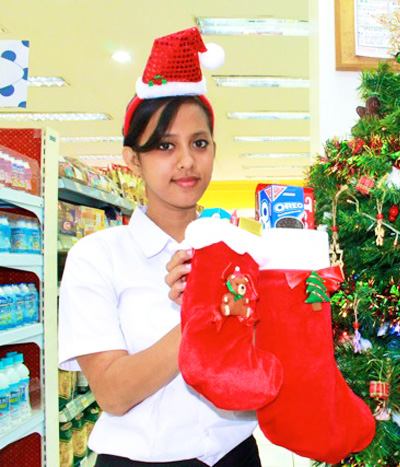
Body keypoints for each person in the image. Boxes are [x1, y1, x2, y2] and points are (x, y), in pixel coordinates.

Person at [58, 27, 262, 467]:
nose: (187, 161)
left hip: (235, 454)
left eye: (199, 143)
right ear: (134, 159)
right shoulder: (96, 257)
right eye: (165, 146)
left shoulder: (243, 251)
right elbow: (112, 393)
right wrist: (201, 315)